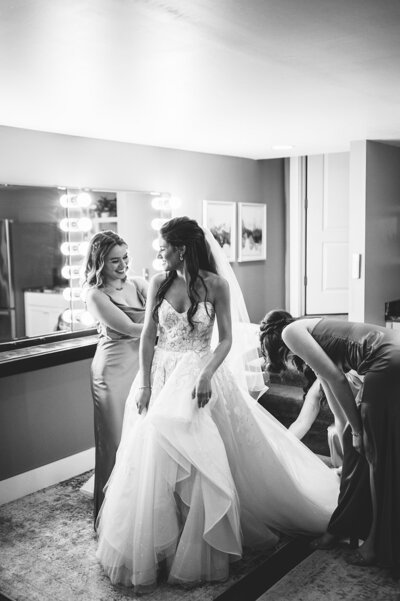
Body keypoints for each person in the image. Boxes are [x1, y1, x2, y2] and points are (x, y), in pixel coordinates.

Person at [95, 218, 339, 592]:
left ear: (181, 249)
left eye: (163, 247)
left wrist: (207, 374)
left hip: (199, 375)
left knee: (200, 461)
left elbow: (224, 340)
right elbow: (147, 336)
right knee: (151, 460)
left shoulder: (216, 285)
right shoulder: (160, 282)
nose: (158, 253)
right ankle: (158, 547)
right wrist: (143, 382)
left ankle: (199, 547)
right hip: (161, 376)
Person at [261, 309, 400, 572]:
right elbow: (329, 379)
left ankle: (374, 543)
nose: (290, 362)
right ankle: (343, 526)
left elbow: (337, 379)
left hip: (384, 362)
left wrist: (359, 432)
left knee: (375, 459)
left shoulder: (291, 333)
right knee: (358, 449)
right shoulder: (312, 331)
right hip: (392, 352)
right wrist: (349, 431)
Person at [82, 230, 148, 520]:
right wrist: (170, 327)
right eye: (114, 261)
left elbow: (167, 307)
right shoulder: (95, 295)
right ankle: (109, 517)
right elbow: (130, 329)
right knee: (114, 441)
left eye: (125, 258)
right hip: (111, 371)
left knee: (141, 438)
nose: (122, 266)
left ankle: (138, 513)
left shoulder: (138, 284)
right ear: (99, 262)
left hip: (142, 365)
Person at [260, 313, 363, 469]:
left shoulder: (337, 366)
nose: (288, 362)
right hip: (351, 413)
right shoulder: (319, 376)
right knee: (338, 430)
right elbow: (303, 421)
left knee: (341, 432)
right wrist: (279, 449)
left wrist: (356, 431)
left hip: (367, 395)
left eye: (285, 355)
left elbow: (342, 412)